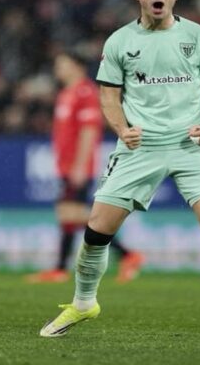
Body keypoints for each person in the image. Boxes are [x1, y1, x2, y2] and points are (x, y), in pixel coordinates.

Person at [39, 0, 200, 341]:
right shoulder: (119, 41)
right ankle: (82, 303)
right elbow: (108, 94)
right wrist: (122, 130)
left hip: (191, 146)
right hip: (140, 148)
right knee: (96, 231)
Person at [25, 51, 144, 284]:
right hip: (66, 165)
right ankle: (63, 268)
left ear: (77, 66)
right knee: (69, 216)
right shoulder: (65, 94)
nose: (58, 68)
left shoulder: (86, 92)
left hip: (78, 166)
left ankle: (126, 255)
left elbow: (90, 131)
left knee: (69, 213)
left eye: (62, 63)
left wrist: (80, 165)